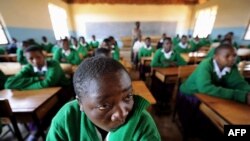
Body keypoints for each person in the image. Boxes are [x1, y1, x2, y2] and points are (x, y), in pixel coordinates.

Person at [46, 57, 161, 141]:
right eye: (104, 105)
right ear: (80, 103)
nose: (121, 113)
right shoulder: (66, 119)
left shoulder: (142, 123)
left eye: (128, 96)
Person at [5, 45, 70, 90]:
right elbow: (9, 83)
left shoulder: (53, 64)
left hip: (63, 92)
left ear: (43, 56)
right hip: (40, 93)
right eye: (31, 58)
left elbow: (47, 84)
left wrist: (21, 87)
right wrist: (36, 78)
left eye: (38, 57)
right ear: (27, 60)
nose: (35, 61)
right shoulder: (28, 68)